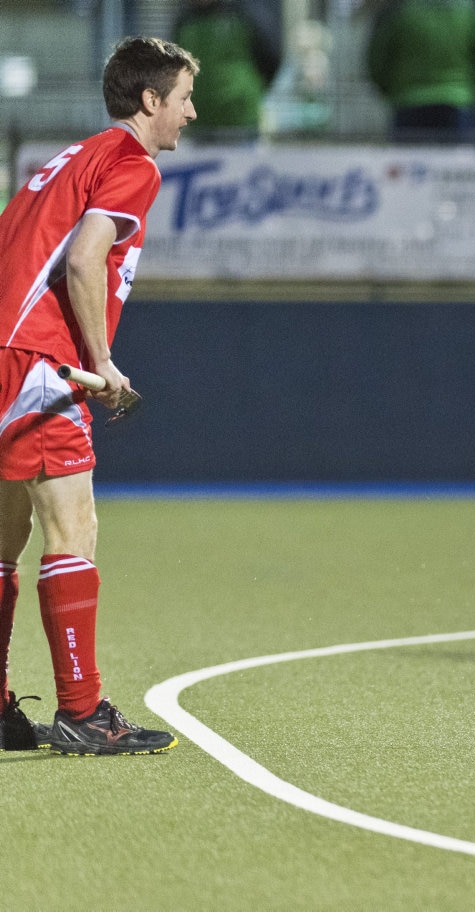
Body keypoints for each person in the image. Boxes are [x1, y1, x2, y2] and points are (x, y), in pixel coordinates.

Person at [0, 36, 197, 755]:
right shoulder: (129, 162)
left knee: (5, 540)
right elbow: (86, 257)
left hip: (4, 355)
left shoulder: (66, 159)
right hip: (35, 363)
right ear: (151, 101)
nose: (191, 112)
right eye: (182, 99)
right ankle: (83, 712)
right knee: (72, 532)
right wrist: (103, 360)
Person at [366, 0, 475, 144]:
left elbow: (377, 58)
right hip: (457, 101)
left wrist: (387, 90)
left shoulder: (399, 10)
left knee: (409, 164)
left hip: (408, 102)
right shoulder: (469, 10)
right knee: (455, 164)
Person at [173, 0, 280, 141]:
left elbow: (270, 58)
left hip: (242, 123)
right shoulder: (184, 21)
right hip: (199, 126)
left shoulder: (245, 14)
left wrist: (246, 91)